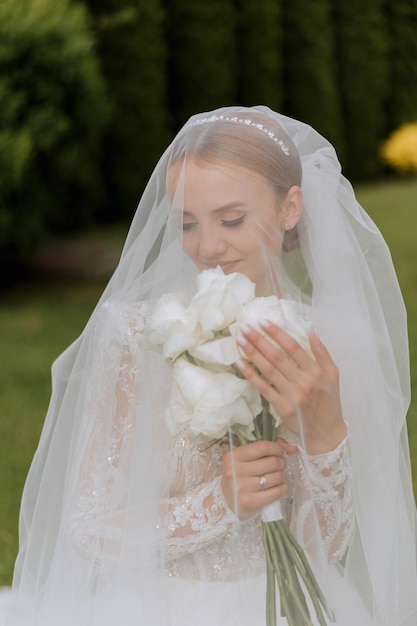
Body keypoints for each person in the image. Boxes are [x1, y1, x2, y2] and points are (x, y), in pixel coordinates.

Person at [3, 106, 417, 626]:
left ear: (290, 208)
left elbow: (323, 546)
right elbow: (87, 532)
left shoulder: (328, 346)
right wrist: (219, 502)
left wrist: (326, 433)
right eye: (187, 224)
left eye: (231, 219)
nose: (206, 247)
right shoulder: (136, 337)